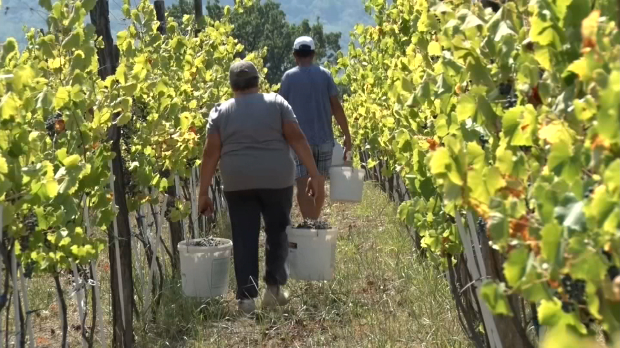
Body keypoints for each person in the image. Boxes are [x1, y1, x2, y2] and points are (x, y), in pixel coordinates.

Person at [197, 61, 325, 315]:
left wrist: (203, 193)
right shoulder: (277, 103)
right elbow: (297, 138)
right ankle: (274, 290)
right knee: (278, 230)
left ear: (232, 85)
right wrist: (314, 174)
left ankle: (246, 299)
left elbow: (211, 154)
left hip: (237, 181)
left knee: (244, 235)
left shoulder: (220, 111)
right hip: (276, 178)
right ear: (258, 82)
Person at [279, 36, 352, 220]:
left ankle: (309, 224)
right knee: (318, 182)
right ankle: (314, 222)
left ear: (295, 55)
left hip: (298, 142)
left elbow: (280, 109)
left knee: (303, 183)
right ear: (313, 54)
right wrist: (347, 135)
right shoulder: (325, 75)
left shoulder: (288, 78)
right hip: (324, 140)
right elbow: (336, 106)